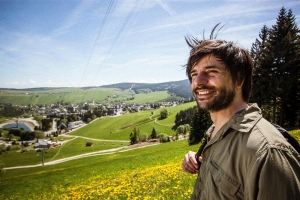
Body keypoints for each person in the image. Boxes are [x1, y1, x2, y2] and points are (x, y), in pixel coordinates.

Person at [181, 25, 300, 200]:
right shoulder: (215, 134)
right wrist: (200, 160)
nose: (198, 82)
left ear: (239, 79)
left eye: (211, 72)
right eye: (194, 74)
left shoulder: (267, 151)